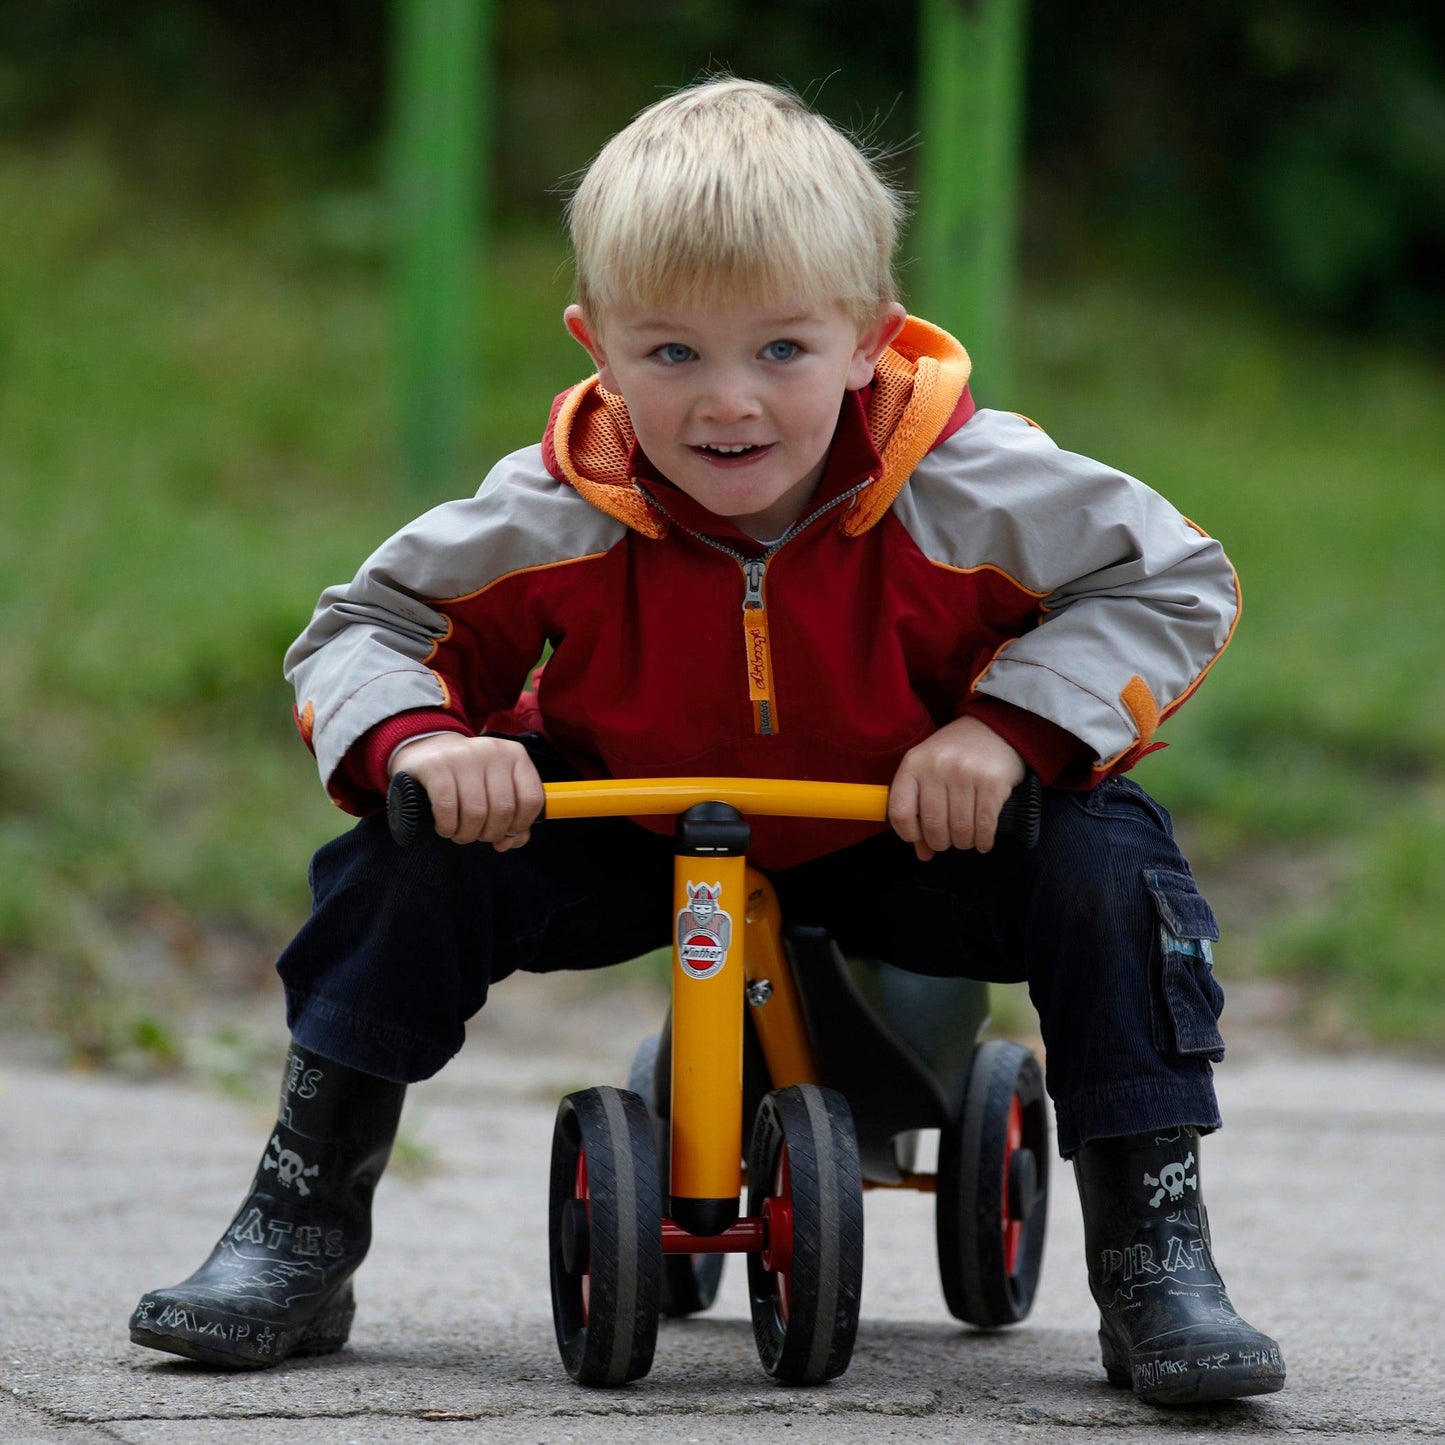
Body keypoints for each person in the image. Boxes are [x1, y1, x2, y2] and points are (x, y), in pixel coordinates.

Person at [129, 77, 1285, 1404]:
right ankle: (297, 1222)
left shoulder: (969, 482)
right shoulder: (562, 501)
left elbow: (1169, 580)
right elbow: (373, 628)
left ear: (867, 337)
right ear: (598, 347)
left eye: (781, 350)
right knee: (405, 859)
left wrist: (1006, 730)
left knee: (1112, 867)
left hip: (905, 824)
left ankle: (1155, 1257)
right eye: (672, 353)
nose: (728, 403)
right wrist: (424, 742)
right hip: (629, 816)